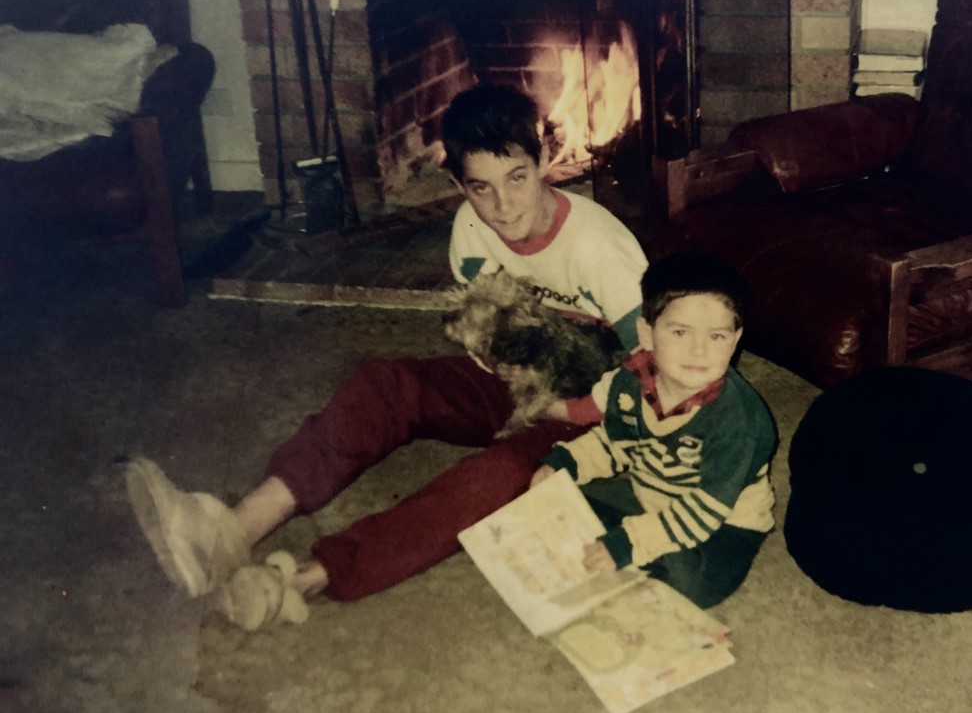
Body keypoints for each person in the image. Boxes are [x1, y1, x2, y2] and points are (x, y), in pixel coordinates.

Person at [126, 84, 649, 630]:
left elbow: (656, 374)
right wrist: (501, 370)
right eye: (481, 188)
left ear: (542, 159)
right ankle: (232, 530)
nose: (503, 206)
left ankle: (304, 579)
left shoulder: (599, 249)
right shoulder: (471, 230)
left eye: (516, 178)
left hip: (601, 408)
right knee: (387, 383)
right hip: (522, 384)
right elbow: (484, 327)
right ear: (458, 185)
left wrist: (567, 413)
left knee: (498, 476)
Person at [529, 251, 777, 608]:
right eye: (679, 331)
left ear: (736, 340)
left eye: (717, 336)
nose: (699, 350)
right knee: (552, 502)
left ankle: (639, 547)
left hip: (724, 523)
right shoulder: (627, 382)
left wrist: (627, 544)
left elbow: (705, 510)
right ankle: (634, 542)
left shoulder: (740, 421)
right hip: (650, 492)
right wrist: (564, 463)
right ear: (646, 333)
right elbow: (613, 442)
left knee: (689, 585)